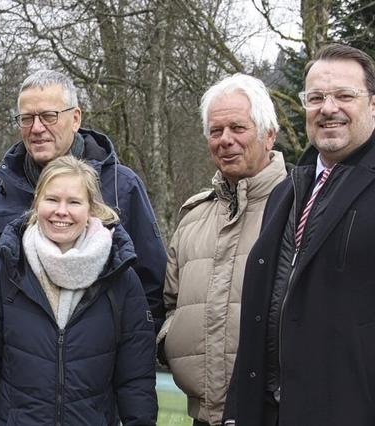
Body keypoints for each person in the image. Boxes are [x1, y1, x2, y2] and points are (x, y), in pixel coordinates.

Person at [224, 44, 375, 425]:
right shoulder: (286, 192)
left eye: (345, 95)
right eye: (316, 97)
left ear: (372, 104)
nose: (328, 108)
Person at [0, 155, 157, 425]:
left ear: (91, 209)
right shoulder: (6, 271)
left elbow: (135, 379)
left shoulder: (120, 277)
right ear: (37, 202)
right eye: (52, 200)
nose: (61, 211)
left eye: (74, 202)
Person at [0, 69, 166, 335]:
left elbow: (152, 289)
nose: (36, 128)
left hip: (100, 366)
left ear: (75, 118)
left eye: (48, 116)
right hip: (16, 368)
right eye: (27, 118)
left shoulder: (120, 187)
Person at [158, 74, 287, 426]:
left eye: (238, 128)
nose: (226, 140)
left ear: (269, 133)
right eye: (216, 131)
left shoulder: (296, 208)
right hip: (202, 415)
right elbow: (170, 302)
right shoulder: (193, 216)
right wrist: (171, 341)